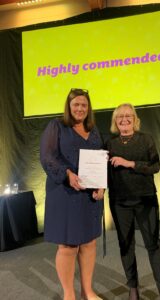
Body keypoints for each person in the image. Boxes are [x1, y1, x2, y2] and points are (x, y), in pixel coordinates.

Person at [40, 88, 104, 300]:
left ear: (89, 108)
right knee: (68, 245)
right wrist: (67, 174)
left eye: (84, 105)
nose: (80, 108)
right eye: (76, 104)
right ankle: (69, 293)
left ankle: (88, 290)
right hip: (64, 194)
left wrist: (101, 185)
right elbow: (47, 157)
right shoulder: (56, 126)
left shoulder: (93, 131)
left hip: (89, 198)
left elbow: (100, 162)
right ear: (69, 106)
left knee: (89, 243)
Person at [106, 103, 160, 300]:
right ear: (115, 122)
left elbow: (156, 166)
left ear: (135, 119)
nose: (124, 119)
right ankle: (133, 288)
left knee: (153, 244)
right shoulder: (110, 144)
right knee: (126, 245)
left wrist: (130, 163)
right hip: (119, 201)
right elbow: (104, 172)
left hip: (146, 200)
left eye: (128, 116)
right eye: (120, 117)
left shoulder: (146, 139)